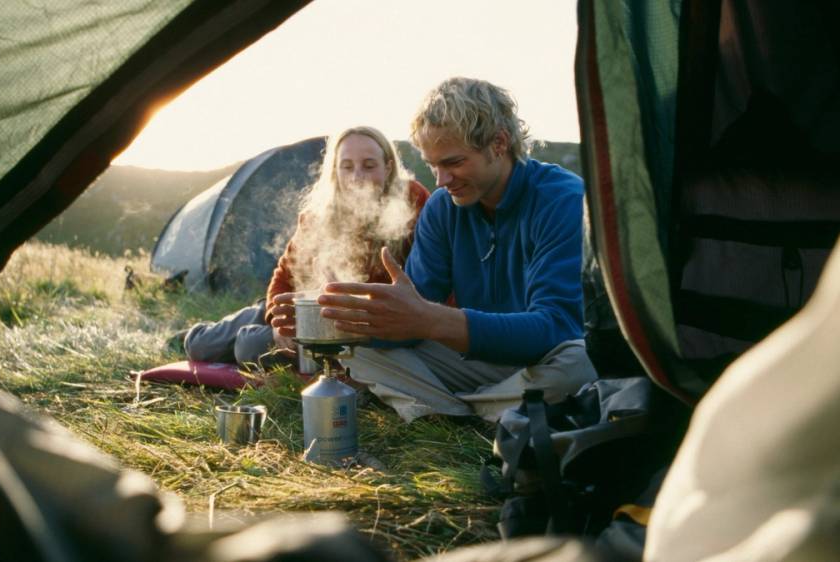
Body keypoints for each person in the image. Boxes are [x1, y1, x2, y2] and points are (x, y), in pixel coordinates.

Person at [287, 77, 598, 422]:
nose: (441, 180)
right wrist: (356, 319)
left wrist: (432, 320)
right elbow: (411, 316)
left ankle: (452, 410)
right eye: (433, 165)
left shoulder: (562, 200)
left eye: (453, 163)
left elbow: (555, 326)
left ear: (499, 143)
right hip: (474, 361)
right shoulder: (442, 207)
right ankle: (491, 411)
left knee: (579, 362)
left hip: (539, 360)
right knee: (357, 353)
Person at [184, 126, 429, 368]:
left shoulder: (414, 203)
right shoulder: (320, 213)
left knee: (249, 346)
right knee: (200, 346)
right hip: (304, 306)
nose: (357, 177)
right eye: (347, 166)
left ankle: (250, 339)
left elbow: (425, 287)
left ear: (388, 167)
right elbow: (284, 275)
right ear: (335, 171)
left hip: (347, 328)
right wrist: (278, 323)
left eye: (369, 165)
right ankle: (193, 334)